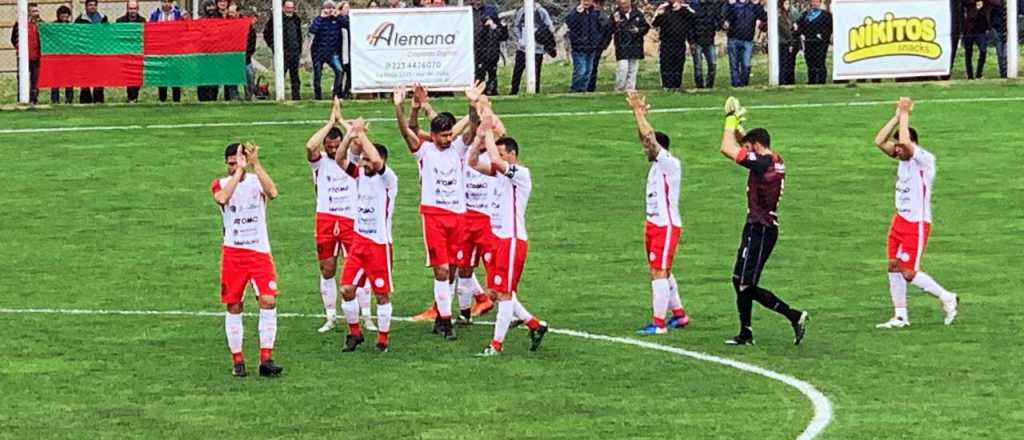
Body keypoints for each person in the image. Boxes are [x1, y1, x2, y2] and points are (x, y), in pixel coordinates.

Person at [717, 96, 808, 345]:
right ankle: (746, 331)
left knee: (746, 285)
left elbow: (727, 149)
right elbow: (742, 146)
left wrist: (729, 120)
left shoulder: (763, 163)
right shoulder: (774, 159)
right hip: (756, 227)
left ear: (756, 146)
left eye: (749, 146)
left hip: (761, 229)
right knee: (739, 280)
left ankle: (793, 315)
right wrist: (739, 128)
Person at [468, 101, 548, 357]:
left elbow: (493, 158)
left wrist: (489, 129)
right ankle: (535, 325)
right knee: (497, 291)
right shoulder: (501, 174)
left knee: (503, 294)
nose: (498, 158)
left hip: (512, 241)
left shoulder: (521, 174)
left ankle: (496, 346)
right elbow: (472, 162)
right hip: (499, 240)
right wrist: (479, 136)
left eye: (503, 155)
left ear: (511, 155)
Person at [394, 85, 474, 340]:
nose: (447, 139)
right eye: (443, 136)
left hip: (458, 215)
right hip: (434, 215)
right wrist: (401, 107)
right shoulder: (424, 151)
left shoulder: (459, 149)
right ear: (433, 135)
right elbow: (406, 131)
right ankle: (448, 323)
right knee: (440, 270)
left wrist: (472, 104)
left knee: (452, 269)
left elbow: (474, 124)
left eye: (450, 134)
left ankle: (441, 316)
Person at [871, 98, 960, 329]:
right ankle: (900, 315)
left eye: (900, 146)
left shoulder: (924, 160)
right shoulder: (902, 158)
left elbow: (906, 145)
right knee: (892, 265)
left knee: (909, 272)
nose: (896, 149)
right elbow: (879, 140)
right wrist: (896, 116)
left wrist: (905, 114)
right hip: (899, 219)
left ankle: (947, 297)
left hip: (916, 223)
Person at [211, 143, 283, 378]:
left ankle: (266, 359)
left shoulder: (255, 181)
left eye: (238, 162)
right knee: (234, 305)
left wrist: (255, 164)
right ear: (226, 164)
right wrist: (240, 171)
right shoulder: (221, 184)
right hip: (233, 253)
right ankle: (238, 359)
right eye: (231, 164)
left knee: (268, 300)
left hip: (259, 251)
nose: (234, 167)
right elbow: (222, 198)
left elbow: (273, 192)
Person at [304, 99, 375, 333]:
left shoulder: (350, 160)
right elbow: (309, 146)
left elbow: (356, 141)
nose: (334, 149)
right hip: (325, 217)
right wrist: (330, 122)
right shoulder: (319, 162)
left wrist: (345, 123)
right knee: (327, 268)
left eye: (337, 145)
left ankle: (366, 315)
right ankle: (331, 315)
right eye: (331, 146)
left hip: (350, 218)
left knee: (358, 266)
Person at [626, 92, 690, 335]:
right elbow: (646, 137)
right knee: (662, 270)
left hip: (665, 226)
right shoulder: (655, 166)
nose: (645, 150)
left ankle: (658, 323)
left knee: (658, 272)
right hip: (654, 225)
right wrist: (640, 117)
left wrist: (638, 112)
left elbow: (650, 139)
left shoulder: (669, 164)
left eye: (648, 147)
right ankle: (679, 315)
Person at [334, 118, 398, 353]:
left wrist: (362, 135)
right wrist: (351, 134)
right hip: (360, 242)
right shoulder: (359, 175)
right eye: (364, 159)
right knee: (347, 289)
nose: (365, 162)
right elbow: (340, 158)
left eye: (368, 159)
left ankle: (383, 338)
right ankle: (354, 333)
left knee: (381, 294)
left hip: (379, 245)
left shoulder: (388, 179)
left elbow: (377, 160)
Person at [509, 1, 552, 94]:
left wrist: (542, 38)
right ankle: (514, 90)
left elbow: (549, 27)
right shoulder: (521, 11)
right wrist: (520, 39)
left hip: (537, 49)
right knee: (518, 70)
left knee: (536, 71)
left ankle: (535, 90)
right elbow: (516, 26)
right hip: (523, 48)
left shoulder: (541, 12)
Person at [263, 0, 304, 100]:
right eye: (288, 7)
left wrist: (299, 49)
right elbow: (266, 34)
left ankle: (296, 97)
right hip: (282, 53)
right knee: (281, 75)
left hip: (294, 52)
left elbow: (299, 36)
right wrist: (274, 47)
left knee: (295, 76)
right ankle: (280, 96)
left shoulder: (296, 19)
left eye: (292, 8)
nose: (290, 10)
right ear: (283, 8)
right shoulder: (276, 19)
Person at [652, 0, 694, 90]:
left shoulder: (685, 8)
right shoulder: (663, 8)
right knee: (666, 64)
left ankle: (677, 85)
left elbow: (693, 18)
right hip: (666, 43)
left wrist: (681, 9)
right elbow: (654, 23)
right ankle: (667, 86)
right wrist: (660, 14)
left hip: (679, 42)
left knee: (678, 64)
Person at [150, 0, 186, 102]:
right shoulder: (155, 15)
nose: (166, 4)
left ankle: (177, 101)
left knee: (176, 78)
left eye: (168, 2)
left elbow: (186, 28)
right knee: (162, 79)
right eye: (164, 2)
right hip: (161, 52)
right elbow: (151, 32)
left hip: (175, 52)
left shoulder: (178, 14)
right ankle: (162, 101)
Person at [723, 0, 764, 88]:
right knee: (734, 63)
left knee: (746, 64)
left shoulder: (752, 6)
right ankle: (736, 83)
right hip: (733, 39)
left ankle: (744, 82)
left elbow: (763, 17)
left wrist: (757, 4)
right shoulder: (733, 5)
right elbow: (725, 16)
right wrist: (730, 5)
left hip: (747, 40)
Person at [309, 0, 345, 100]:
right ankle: (318, 97)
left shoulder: (337, 20)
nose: (330, 10)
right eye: (328, 8)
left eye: (332, 8)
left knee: (339, 71)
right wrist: (321, 17)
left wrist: (338, 16)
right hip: (318, 53)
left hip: (332, 52)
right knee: (317, 74)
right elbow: (312, 30)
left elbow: (347, 24)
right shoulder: (319, 19)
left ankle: (335, 94)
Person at [611, 0, 649, 92]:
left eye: (626, 3)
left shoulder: (638, 14)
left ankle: (630, 90)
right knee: (623, 69)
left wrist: (638, 30)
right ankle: (619, 89)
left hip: (636, 45)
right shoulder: (616, 15)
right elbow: (609, 29)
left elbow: (645, 27)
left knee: (633, 70)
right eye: (622, 3)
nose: (624, 5)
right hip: (622, 46)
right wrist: (615, 23)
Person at [76, 0, 108, 104]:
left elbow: (107, 34)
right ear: (86, 6)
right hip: (85, 53)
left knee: (99, 77)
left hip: (99, 53)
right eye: (90, 5)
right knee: (85, 78)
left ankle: (98, 99)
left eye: (94, 5)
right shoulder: (80, 20)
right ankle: (85, 100)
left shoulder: (103, 18)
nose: (92, 7)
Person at [566, 0, 603, 92]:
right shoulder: (576, 12)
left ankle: (583, 90)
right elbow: (570, 23)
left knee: (588, 71)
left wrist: (597, 40)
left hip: (591, 46)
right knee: (580, 71)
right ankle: (575, 89)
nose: (586, 2)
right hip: (579, 47)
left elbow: (600, 27)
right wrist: (577, 13)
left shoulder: (594, 13)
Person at [471, 0, 506, 96]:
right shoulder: (468, 11)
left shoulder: (490, 10)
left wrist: (491, 24)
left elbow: (499, 30)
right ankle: (478, 90)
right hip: (475, 46)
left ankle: (492, 89)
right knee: (478, 72)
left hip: (489, 46)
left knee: (492, 70)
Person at [9, 2, 40, 105]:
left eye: (37, 10)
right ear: (28, 12)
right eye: (34, 10)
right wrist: (19, 50)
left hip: (36, 56)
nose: (36, 12)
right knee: (22, 79)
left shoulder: (40, 24)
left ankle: (34, 100)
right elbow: (13, 38)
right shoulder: (19, 24)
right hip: (23, 57)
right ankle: (21, 99)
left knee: (35, 79)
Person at [116, 1, 147, 103]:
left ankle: (134, 96)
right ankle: (131, 97)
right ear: (127, 9)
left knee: (137, 76)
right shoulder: (120, 21)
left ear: (137, 9)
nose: (132, 11)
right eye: (130, 8)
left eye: (134, 9)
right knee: (129, 76)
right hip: (125, 53)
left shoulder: (143, 21)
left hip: (138, 53)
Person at [795, 0, 831, 85]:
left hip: (820, 43)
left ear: (820, 3)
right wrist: (799, 32)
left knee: (820, 61)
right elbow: (799, 25)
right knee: (810, 62)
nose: (814, 3)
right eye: (813, 2)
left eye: (816, 2)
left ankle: (821, 81)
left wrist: (823, 35)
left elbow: (829, 28)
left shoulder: (826, 15)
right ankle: (812, 80)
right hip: (809, 42)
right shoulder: (806, 14)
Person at [689, 0, 720, 89]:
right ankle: (700, 87)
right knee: (698, 67)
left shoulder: (712, 5)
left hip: (709, 41)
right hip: (697, 41)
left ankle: (709, 86)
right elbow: (690, 26)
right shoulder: (693, 6)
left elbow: (718, 19)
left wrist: (720, 25)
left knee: (713, 65)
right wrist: (691, 42)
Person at [197, 1, 222, 102]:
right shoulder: (200, 21)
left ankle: (213, 98)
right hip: (203, 55)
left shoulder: (219, 19)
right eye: (208, 7)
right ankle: (202, 98)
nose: (211, 9)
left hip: (215, 55)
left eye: (212, 7)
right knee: (202, 78)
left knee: (214, 78)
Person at [963, 0, 994, 79]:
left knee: (983, 51)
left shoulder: (986, 3)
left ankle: (978, 74)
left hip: (981, 30)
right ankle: (970, 75)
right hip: (969, 30)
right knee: (968, 53)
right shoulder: (970, 4)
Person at [588, 0, 614, 92]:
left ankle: (590, 88)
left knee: (592, 68)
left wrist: (603, 45)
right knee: (586, 68)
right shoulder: (586, 14)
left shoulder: (602, 17)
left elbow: (608, 33)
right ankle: (586, 87)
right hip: (587, 45)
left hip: (596, 46)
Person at [50, 5, 75, 104]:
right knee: (55, 79)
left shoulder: (72, 27)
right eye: (62, 16)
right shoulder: (53, 27)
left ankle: (69, 100)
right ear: (58, 16)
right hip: (56, 57)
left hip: (69, 57)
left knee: (69, 79)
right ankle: (55, 100)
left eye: (66, 16)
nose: (64, 18)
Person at [778, 0, 798, 85]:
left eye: (788, 4)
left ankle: (788, 81)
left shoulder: (788, 14)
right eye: (786, 4)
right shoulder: (780, 16)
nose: (788, 5)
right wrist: (791, 43)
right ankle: (783, 82)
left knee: (788, 64)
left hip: (786, 42)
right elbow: (787, 31)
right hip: (784, 42)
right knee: (784, 64)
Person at [337, 1, 352, 98]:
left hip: (350, 50)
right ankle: (338, 92)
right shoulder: (339, 20)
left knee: (350, 73)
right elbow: (345, 24)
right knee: (340, 72)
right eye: (346, 8)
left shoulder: (351, 19)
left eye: (349, 7)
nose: (348, 10)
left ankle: (347, 91)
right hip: (340, 50)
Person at [990, 0, 1007, 78]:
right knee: (1000, 53)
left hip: (1007, 30)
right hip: (997, 29)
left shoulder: (1010, 5)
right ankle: (1003, 73)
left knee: (1005, 54)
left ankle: (1006, 71)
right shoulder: (995, 3)